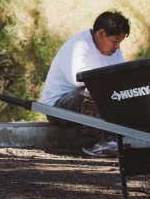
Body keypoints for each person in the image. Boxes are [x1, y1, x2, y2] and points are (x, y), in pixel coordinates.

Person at [41, 10, 130, 157]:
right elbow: (80, 82)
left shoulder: (115, 52)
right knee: (91, 93)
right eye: (115, 41)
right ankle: (94, 143)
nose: (117, 47)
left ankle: (113, 141)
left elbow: (121, 79)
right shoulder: (77, 46)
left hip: (96, 99)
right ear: (101, 33)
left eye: (120, 42)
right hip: (58, 105)